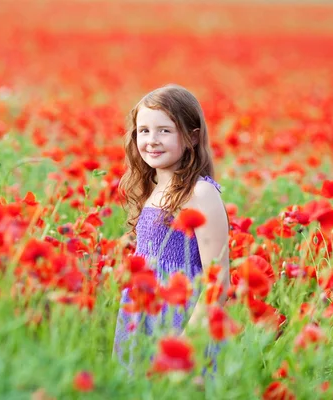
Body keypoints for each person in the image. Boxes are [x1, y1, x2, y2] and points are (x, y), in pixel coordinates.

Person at [113, 84, 231, 376]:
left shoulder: (201, 193)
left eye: (164, 131)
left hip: (181, 322)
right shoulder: (154, 189)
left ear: (192, 136)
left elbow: (220, 282)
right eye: (143, 131)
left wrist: (187, 344)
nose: (151, 140)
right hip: (143, 317)